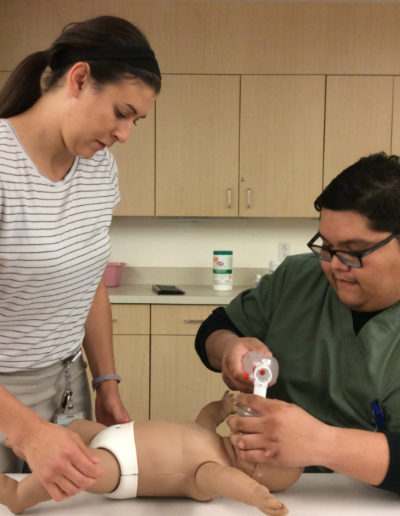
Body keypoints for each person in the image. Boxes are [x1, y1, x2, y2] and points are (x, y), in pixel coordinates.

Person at [0, 15, 161, 502]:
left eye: (136, 120)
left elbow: (87, 278)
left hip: (68, 385)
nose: (125, 133)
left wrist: (105, 379)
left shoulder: (98, 168)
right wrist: (26, 431)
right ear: (79, 78)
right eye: (121, 112)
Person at [195, 152, 400, 495]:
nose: (334, 265)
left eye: (353, 250)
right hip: (279, 488)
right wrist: (229, 349)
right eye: (327, 246)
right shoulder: (297, 278)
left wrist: (322, 444)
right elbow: (215, 329)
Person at [0, 391, 301, 515]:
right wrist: (220, 408)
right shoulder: (211, 437)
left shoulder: (210, 473)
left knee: (78, 469)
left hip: (121, 468)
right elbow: (206, 417)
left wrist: (257, 497)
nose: (252, 436)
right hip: (112, 435)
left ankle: (19, 495)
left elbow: (230, 484)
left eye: (262, 449)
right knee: (76, 430)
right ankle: (30, 450)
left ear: (257, 474)